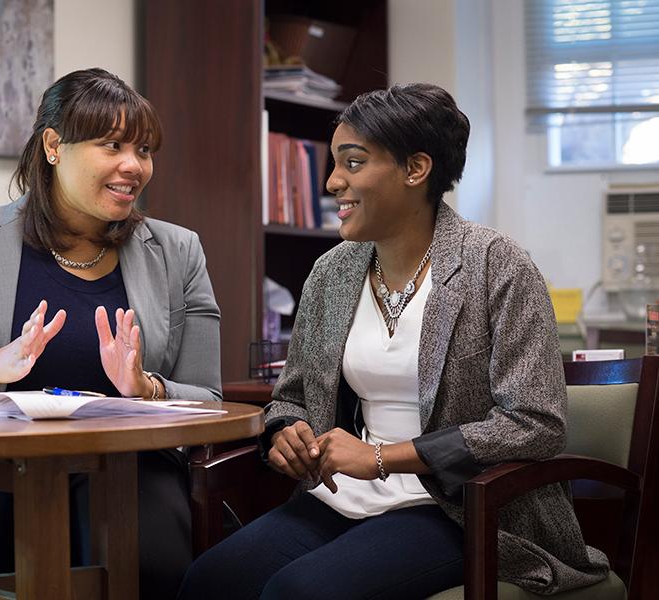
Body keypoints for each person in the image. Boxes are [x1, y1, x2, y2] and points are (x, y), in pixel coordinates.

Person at [177, 84, 608, 599]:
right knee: (210, 581)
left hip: (457, 507)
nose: (333, 181)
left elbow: (536, 423)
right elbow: (292, 395)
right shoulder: (332, 272)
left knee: (300, 592)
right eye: (335, 164)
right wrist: (288, 429)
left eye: (353, 163)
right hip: (343, 497)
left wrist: (382, 458)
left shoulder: (496, 265)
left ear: (415, 169)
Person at [0, 68, 221, 599]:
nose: (134, 166)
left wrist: (148, 389)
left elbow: (209, 401)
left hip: (132, 473)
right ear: (54, 146)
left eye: (144, 150)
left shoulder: (178, 251)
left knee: (146, 568)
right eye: (113, 145)